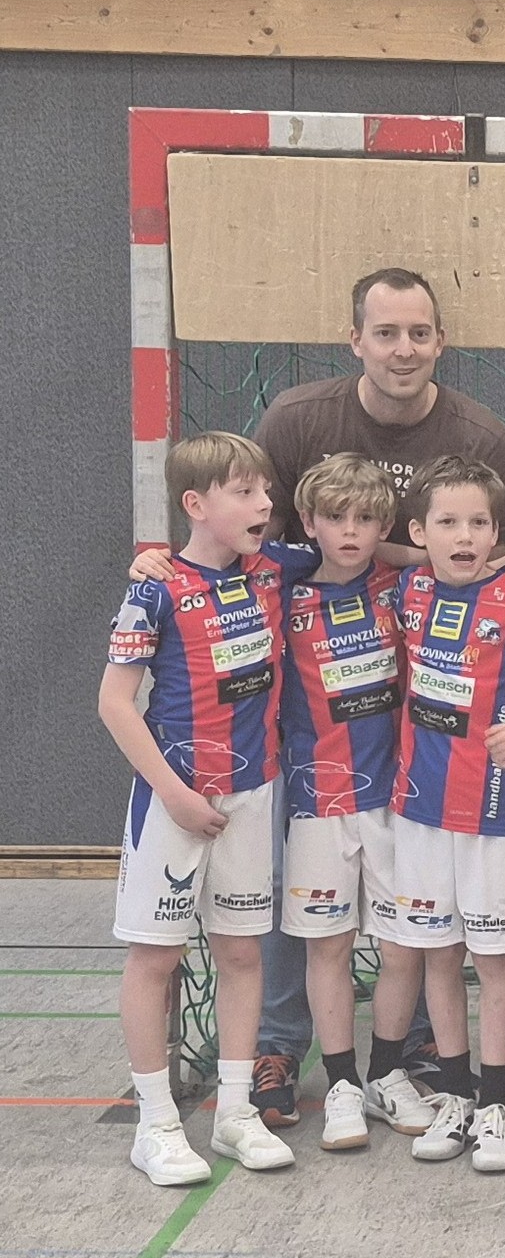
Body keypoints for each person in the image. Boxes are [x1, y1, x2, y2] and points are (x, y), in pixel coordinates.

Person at [246, 267, 505, 1127]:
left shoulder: (478, 433)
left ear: (440, 341)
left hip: (413, 743)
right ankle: (280, 1043)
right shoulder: (298, 419)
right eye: (386, 332)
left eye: (418, 332)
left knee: (416, 929)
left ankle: (402, 1057)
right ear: (355, 340)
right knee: (306, 910)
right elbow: (247, 527)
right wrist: (167, 559)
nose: (403, 349)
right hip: (306, 728)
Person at [98, 432, 296, 1184]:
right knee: (156, 956)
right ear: (196, 504)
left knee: (243, 952)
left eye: (265, 490)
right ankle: (155, 1124)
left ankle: (235, 1113)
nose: (264, 503)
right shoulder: (153, 589)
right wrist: (176, 795)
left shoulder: (273, 571)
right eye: (245, 492)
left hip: (253, 793)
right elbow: (115, 704)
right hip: (173, 798)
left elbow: (371, 551)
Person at [379, 456, 505, 1175]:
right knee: (439, 956)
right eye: (448, 522)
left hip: (493, 812)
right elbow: (339, 551)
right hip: (418, 813)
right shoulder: (407, 590)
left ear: (498, 533)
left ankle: (495, 1107)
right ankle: (457, 1096)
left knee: (494, 961)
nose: (464, 536)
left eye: (478, 523)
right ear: (419, 533)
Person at [272, 454, 437, 1151]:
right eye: (334, 517)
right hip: (318, 799)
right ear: (308, 522)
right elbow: (220, 556)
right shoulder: (279, 589)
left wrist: (401, 549)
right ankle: (340, 1082)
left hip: (399, 798)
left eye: (365, 518)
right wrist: (150, 561)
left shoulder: (406, 586)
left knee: (404, 946)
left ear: (385, 526)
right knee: (329, 946)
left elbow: (484, 557)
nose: (349, 531)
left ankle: (385, 1072)